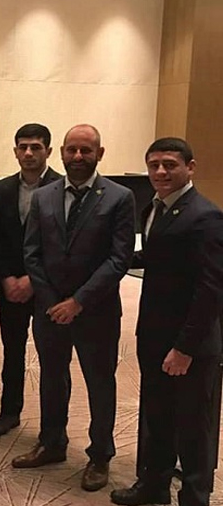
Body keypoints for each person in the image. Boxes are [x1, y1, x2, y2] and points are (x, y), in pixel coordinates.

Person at [14, 124, 135, 492]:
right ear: (62, 153)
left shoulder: (120, 197)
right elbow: (31, 252)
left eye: (86, 150)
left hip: (96, 311)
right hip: (50, 309)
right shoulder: (43, 196)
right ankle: (52, 442)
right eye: (72, 150)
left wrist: (78, 301)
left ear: (100, 154)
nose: (78, 157)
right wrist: (52, 300)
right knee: (52, 377)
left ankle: (100, 455)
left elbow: (119, 258)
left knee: (99, 382)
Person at [111, 138, 223, 506]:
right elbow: (161, 255)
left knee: (193, 426)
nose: (160, 171)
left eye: (170, 165)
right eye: (154, 165)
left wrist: (185, 348)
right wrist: (113, 259)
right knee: (157, 415)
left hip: (190, 344)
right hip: (154, 336)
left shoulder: (205, 216)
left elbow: (211, 289)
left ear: (190, 167)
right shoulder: (156, 206)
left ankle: (194, 496)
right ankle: (154, 485)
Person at [0, 123, 62, 437]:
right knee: (12, 351)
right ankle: (9, 412)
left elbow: (62, 244)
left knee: (52, 357)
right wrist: (6, 278)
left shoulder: (63, 187)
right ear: (15, 151)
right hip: (10, 287)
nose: (29, 153)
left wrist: (33, 279)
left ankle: (53, 427)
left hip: (48, 287)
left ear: (49, 151)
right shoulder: (2, 189)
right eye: (23, 147)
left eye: (36, 147)